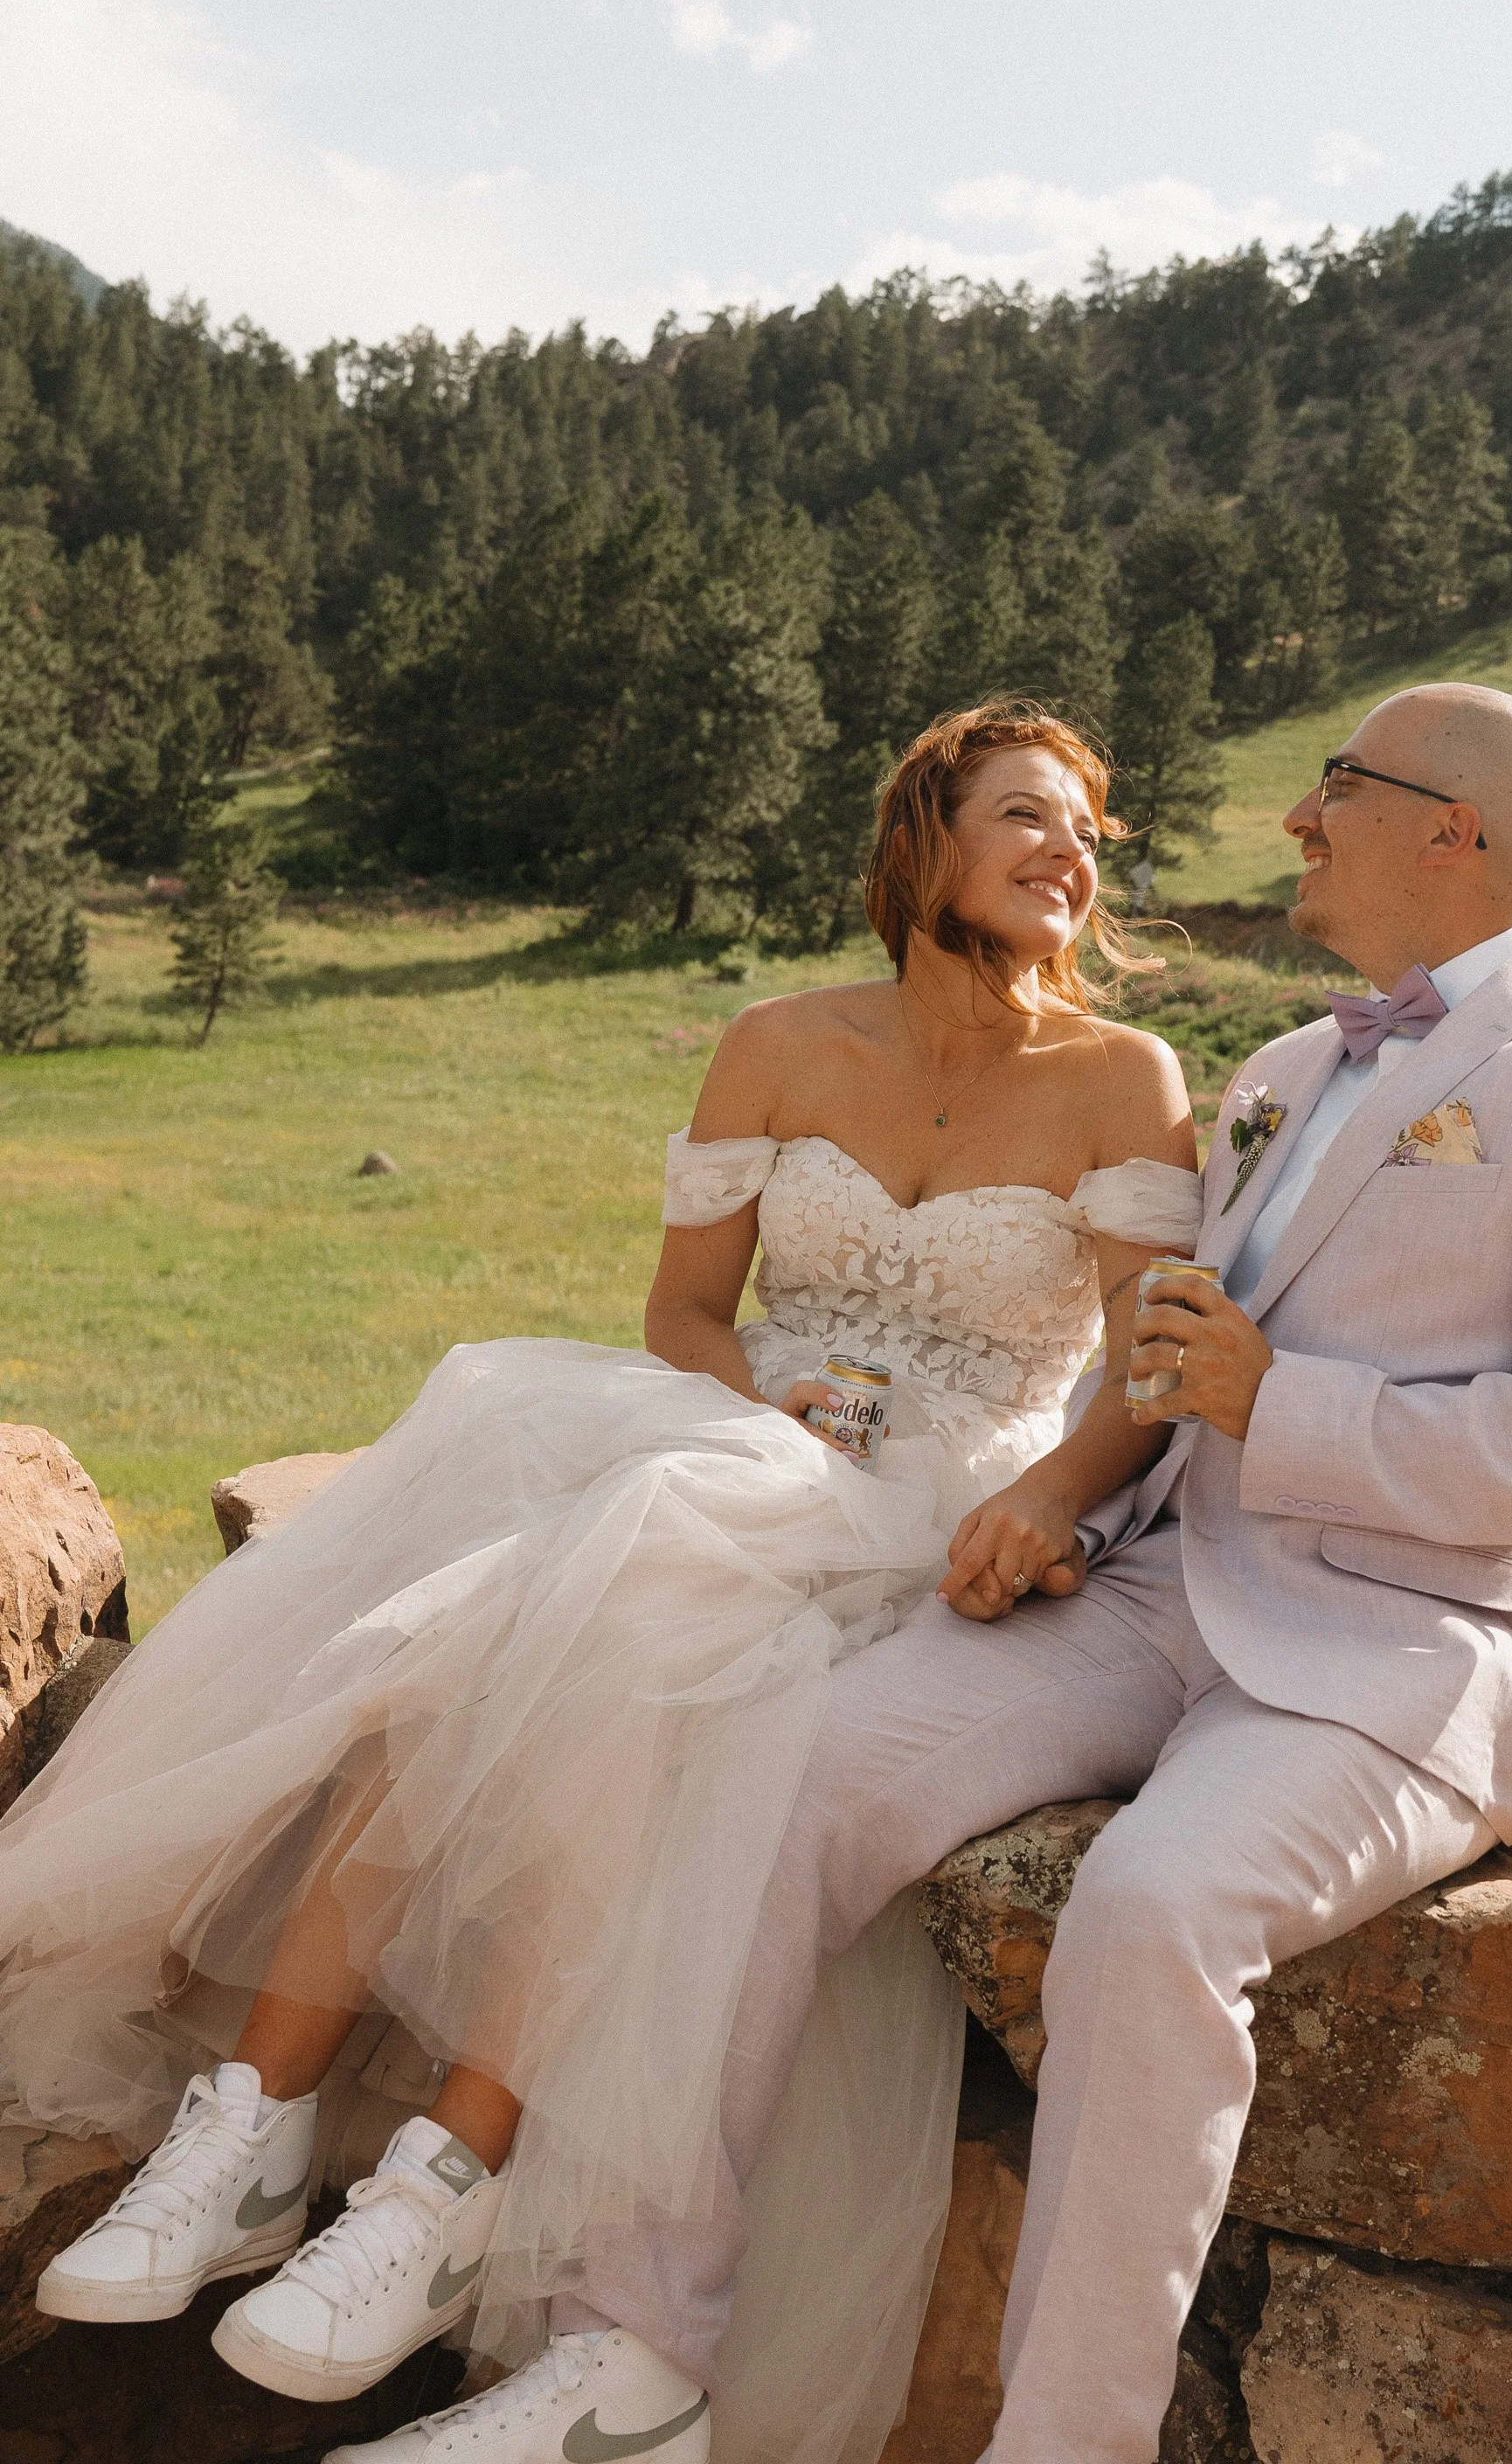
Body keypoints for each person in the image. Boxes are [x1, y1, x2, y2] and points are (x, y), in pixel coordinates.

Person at [333, 680, 1512, 2464]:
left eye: (1333, 790)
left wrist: (1281, 1403)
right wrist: (1064, 1503)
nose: (1297, 824)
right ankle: (635, 2362)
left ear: (1450, 831)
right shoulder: (1288, 1072)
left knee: (1149, 1912)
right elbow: (1153, 1351)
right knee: (780, 1775)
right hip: (1145, 1598)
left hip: (1412, 1650)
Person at [2, 700, 1202, 2460]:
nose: (1070, 854)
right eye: (1027, 814)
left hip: (950, 1501)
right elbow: (685, 1313)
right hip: (746, 1441)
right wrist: (754, 1419)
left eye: (1088, 831)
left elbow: (1139, 1367)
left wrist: (1056, 1507)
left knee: (609, 1632)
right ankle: (248, 2127)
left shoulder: (1125, 1081)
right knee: (463, 1639)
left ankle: (439, 2184)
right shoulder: (781, 1041)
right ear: (921, 838)